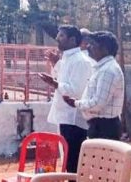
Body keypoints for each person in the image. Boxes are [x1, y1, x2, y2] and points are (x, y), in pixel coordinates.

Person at [38, 25, 92, 173]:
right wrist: (56, 67)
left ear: (73, 40)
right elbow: (63, 80)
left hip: (74, 118)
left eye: (61, 36)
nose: (57, 39)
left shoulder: (81, 61)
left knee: (74, 162)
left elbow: (76, 91)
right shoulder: (68, 58)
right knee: (68, 161)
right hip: (65, 117)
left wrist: (54, 84)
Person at [63, 31, 125, 140]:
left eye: (92, 44)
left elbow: (98, 104)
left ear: (104, 49)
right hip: (99, 126)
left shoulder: (108, 71)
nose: (88, 47)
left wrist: (76, 103)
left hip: (104, 128)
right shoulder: (103, 68)